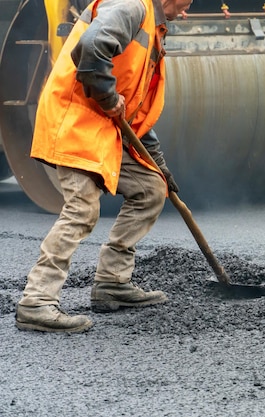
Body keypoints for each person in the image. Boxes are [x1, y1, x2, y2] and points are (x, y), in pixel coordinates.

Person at [15, 0, 193, 333]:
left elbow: (134, 110)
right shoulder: (131, 8)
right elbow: (90, 49)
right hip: (74, 123)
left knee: (151, 188)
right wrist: (110, 99)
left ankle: (112, 283)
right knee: (83, 209)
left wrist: (160, 166)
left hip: (101, 129)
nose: (186, 12)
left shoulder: (153, 29)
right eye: (187, 4)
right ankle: (36, 302)